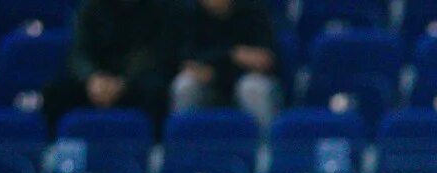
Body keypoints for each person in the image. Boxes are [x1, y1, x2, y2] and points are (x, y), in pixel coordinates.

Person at [41, 0, 185, 132]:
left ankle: (155, 151)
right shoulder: (91, 7)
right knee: (55, 94)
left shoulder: (161, 8)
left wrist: (123, 82)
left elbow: (156, 54)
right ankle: (54, 150)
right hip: (95, 82)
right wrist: (92, 77)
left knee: (157, 94)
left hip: (135, 82)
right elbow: (79, 53)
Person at [171, 0, 282, 129]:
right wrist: (233, 55)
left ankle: (264, 145)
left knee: (252, 87)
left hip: (246, 78)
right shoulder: (190, 13)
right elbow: (187, 59)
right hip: (208, 82)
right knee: (185, 85)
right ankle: (183, 142)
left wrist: (217, 66)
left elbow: (265, 59)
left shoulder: (254, 10)